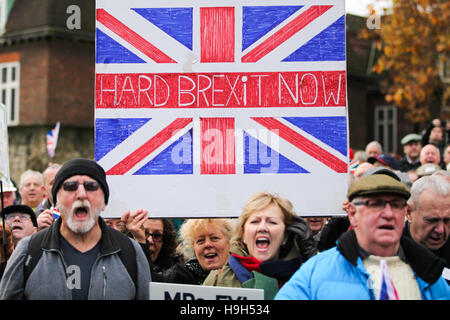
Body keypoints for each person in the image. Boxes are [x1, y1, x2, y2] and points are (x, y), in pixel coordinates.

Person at [275, 173, 449, 300]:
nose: (388, 213)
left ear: (405, 213)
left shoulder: (429, 274)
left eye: (396, 205)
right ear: (352, 213)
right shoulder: (316, 271)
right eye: (375, 205)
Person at [0, 158, 150, 300]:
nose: (81, 194)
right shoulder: (29, 251)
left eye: (91, 186)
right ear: (56, 201)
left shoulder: (130, 252)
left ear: (104, 203)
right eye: (70, 187)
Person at [203, 192, 317, 300]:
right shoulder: (217, 279)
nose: (262, 228)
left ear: (285, 236)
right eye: (255, 222)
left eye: (272, 222)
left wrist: (312, 263)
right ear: (243, 234)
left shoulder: (306, 278)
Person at [152, 218, 233, 285]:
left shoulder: (242, 274)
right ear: (194, 249)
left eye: (214, 238)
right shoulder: (179, 278)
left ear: (229, 243)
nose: (207, 244)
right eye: (200, 240)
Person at [405, 175, 450, 283]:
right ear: (409, 212)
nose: (441, 230)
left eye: (447, 220)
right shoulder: (390, 248)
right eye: (432, 220)